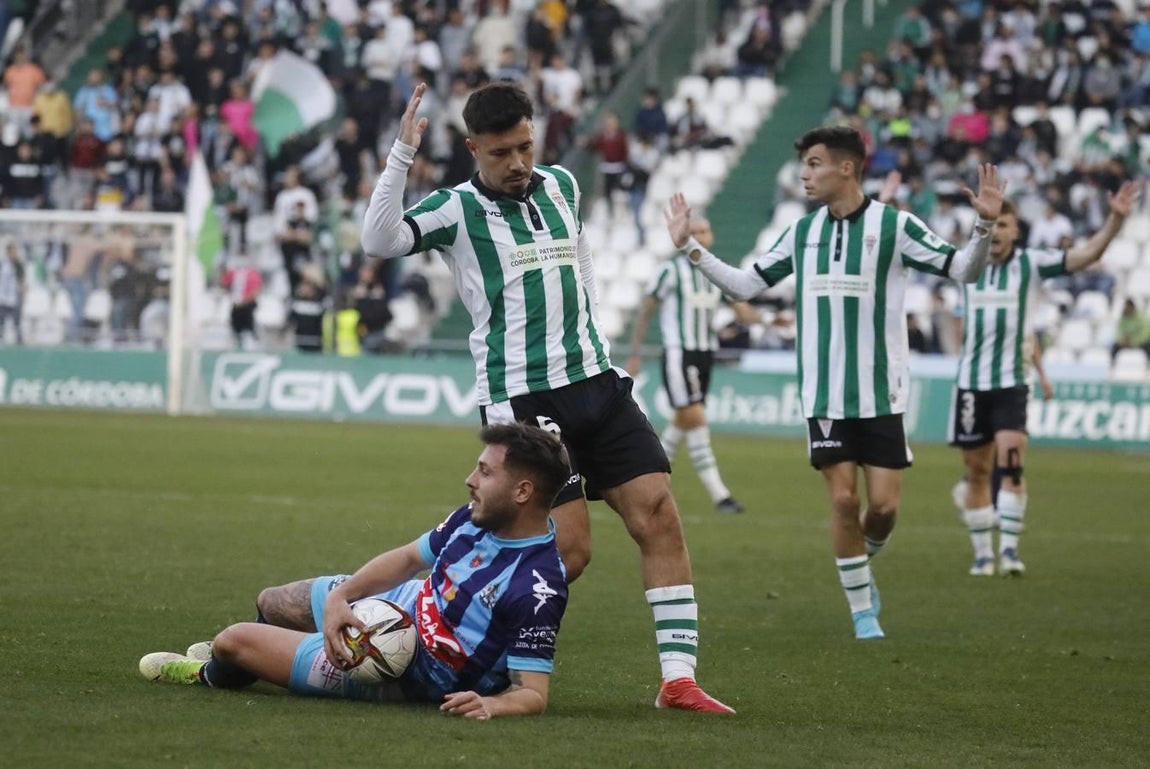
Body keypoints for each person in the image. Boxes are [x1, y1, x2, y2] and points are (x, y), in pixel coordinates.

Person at [360, 82, 733, 713]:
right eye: (501, 152)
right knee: (569, 550)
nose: (516, 162)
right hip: (522, 397)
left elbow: (580, 259)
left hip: (595, 379)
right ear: (475, 148)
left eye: (525, 146)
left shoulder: (561, 184)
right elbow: (380, 241)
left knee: (659, 513)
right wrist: (401, 155)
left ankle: (678, 680)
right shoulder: (455, 210)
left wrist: (596, 336)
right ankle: (439, 637)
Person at [667, 125, 1005, 640]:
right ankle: (861, 610)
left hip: (882, 393)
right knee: (844, 502)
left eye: (814, 164)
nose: (804, 174)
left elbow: (965, 272)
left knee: (884, 509)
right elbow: (744, 283)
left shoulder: (896, 227)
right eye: (804, 165)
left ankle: (860, 564)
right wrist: (691, 248)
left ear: (846, 168)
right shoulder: (803, 233)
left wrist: (983, 226)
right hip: (823, 395)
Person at [140, 423, 571, 720]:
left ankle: (211, 674)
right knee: (271, 601)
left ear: (522, 491)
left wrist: (494, 705)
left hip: (402, 664)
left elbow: (532, 692)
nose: (469, 479)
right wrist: (339, 598)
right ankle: (259, 658)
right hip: (403, 604)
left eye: (484, 471)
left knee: (234, 641)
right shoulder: (474, 517)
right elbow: (406, 560)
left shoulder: (538, 588)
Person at [950, 185, 1138, 577]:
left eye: (1005, 224)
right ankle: (983, 555)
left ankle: (1011, 553)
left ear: (1016, 230)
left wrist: (1116, 220)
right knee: (977, 473)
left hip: (1011, 383)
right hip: (970, 384)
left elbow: (1087, 255)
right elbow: (961, 324)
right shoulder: (967, 266)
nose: (997, 231)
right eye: (992, 223)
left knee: (1012, 463)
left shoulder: (1031, 265)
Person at [626, 215, 759, 514]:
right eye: (694, 231)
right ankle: (720, 495)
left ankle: (649, 481)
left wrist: (774, 319)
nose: (700, 236)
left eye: (704, 231)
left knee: (684, 420)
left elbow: (743, 312)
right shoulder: (670, 270)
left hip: (705, 354)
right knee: (696, 417)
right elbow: (646, 311)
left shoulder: (716, 273)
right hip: (679, 353)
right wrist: (635, 352)